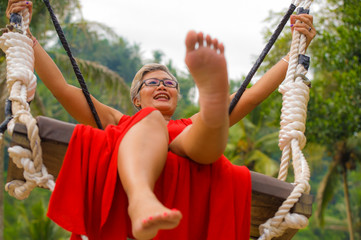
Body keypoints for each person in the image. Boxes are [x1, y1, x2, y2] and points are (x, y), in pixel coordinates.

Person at [6, 1, 316, 240]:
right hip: (144, 142)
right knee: (153, 122)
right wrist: (25, 37)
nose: (163, 86)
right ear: (136, 97)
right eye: (152, 83)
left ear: (179, 96)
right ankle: (142, 199)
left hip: (194, 146)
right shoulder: (116, 121)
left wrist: (295, 51)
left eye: (170, 83)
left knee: (205, 128)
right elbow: (62, 88)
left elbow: (248, 97)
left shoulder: (184, 124)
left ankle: (213, 105)